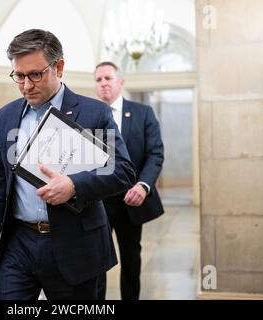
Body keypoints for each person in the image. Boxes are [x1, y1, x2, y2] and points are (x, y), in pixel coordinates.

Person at [0, 29, 136, 300]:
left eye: (35, 75)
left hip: (75, 245)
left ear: (58, 67)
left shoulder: (94, 113)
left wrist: (74, 185)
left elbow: (122, 170)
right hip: (18, 244)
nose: (26, 85)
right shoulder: (6, 116)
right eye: (19, 76)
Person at [94, 61, 164, 300]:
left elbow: (155, 153)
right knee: (96, 263)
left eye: (108, 78)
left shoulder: (142, 113)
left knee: (131, 260)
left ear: (120, 82)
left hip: (131, 200)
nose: (103, 84)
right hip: (98, 202)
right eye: (98, 79)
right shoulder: (88, 114)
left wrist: (143, 185)